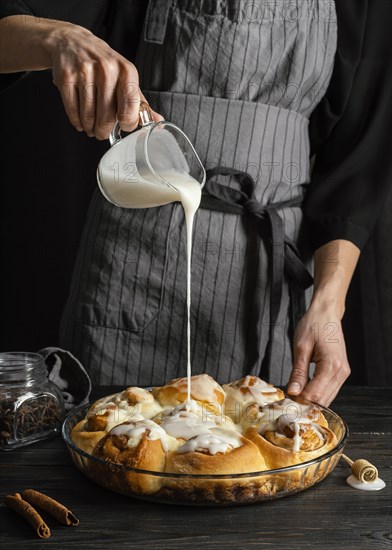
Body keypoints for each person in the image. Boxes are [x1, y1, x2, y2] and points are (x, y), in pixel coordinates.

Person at [0, 1, 390, 407]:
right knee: (110, 445)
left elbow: (356, 165)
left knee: (258, 457)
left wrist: (328, 304)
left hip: (267, 286)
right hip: (135, 273)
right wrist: (60, 36)